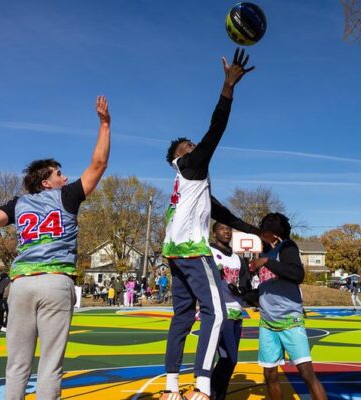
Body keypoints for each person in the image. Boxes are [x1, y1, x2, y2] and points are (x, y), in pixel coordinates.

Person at [0, 96, 110, 399]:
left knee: (17, 365)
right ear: (46, 183)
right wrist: (105, 124)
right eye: (59, 174)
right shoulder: (68, 197)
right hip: (54, 282)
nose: (65, 177)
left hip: (22, 284)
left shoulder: (18, 204)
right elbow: (99, 163)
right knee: (50, 365)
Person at [160, 48, 257, 400]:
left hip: (173, 253)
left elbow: (223, 213)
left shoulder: (188, 185)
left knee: (182, 317)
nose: (196, 145)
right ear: (180, 154)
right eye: (189, 144)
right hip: (190, 249)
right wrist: (227, 87)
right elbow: (216, 129)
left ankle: (171, 386)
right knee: (215, 312)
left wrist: (257, 231)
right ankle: (202, 385)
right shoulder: (191, 166)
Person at [251, 213, 327, 400]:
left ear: (275, 233)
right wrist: (240, 294)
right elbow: (265, 289)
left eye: (264, 230)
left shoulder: (288, 247)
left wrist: (268, 262)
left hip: (290, 321)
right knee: (269, 374)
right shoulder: (265, 252)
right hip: (268, 323)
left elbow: (297, 275)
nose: (261, 234)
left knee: (307, 374)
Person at [209, 222, 253, 400]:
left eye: (229, 229)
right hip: (217, 311)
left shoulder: (237, 259)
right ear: (214, 233)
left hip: (236, 312)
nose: (226, 231)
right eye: (222, 229)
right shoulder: (209, 253)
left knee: (230, 360)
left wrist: (241, 291)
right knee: (226, 358)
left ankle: (219, 395)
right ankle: (208, 391)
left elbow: (246, 286)